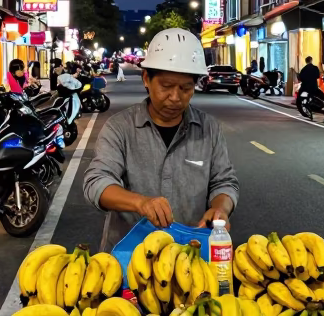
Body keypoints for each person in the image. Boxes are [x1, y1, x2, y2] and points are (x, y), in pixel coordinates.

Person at [84, 28, 239, 249]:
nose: (175, 97)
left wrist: (220, 208)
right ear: (146, 79)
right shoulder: (119, 128)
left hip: (190, 253)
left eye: (185, 88)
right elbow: (97, 182)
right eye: (166, 86)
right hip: (129, 256)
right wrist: (140, 203)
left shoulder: (209, 129)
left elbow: (224, 182)